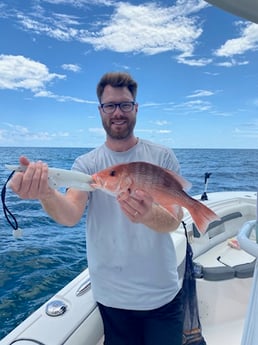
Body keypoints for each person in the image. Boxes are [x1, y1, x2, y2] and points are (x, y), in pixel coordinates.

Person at [9, 72, 184, 345]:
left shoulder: (162, 157)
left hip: (161, 294)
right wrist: (46, 193)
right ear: (100, 111)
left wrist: (149, 214)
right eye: (110, 105)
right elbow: (70, 214)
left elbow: (174, 220)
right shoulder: (87, 164)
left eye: (125, 104)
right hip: (112, 298)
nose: (118, 112)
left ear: (136, 108)